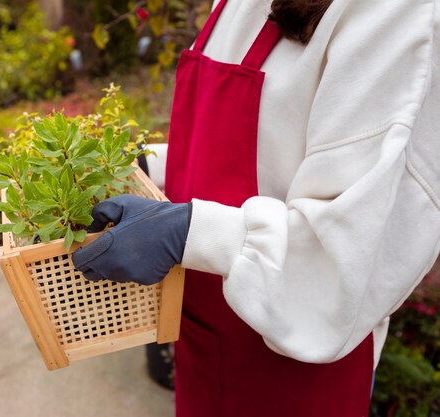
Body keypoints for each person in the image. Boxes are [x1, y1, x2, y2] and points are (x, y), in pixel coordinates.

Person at [73, 0, 440, 415]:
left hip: (292, 377)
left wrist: (188, 231)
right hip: (204, 342)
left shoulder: (395, 12)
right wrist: (154, 164)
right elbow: (270, 144)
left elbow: (348, 250)